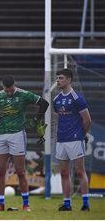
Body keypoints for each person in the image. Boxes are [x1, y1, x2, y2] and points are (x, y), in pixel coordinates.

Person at [0, 76, 49, 212]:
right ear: (3, 87)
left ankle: (26, 205)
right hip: (1, 135)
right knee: (0, 171)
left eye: (11, 89)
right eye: (6, 90)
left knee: (20, 171)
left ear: (15, 85)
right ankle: (0, 205)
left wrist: (37, 119)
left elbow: (44, 103)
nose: (9, 92)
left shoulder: (24, 94)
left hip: (17, 135)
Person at [53, 69, 92, 211]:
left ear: (69, 80)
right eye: (57, 78)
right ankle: (67, 203)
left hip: (75, 139)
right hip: (61, 139)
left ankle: (85, 203)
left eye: (61, 78)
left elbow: (87, 120)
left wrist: (82, 134)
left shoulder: (77, 98)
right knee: (64, 172)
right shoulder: (56, 100)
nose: (58, 80)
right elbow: (60, 117)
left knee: (80, 172)